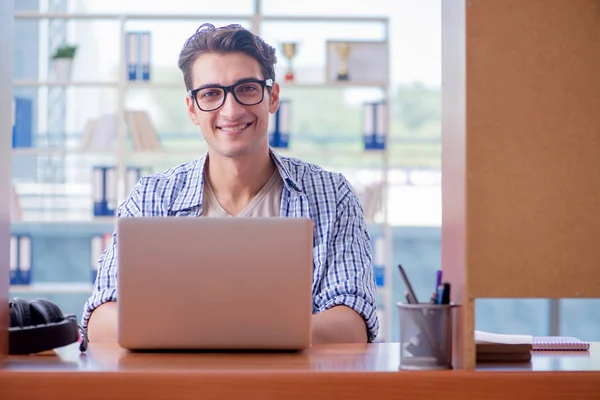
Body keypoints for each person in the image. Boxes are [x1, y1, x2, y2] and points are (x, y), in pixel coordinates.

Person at [81, 23, 379, 345]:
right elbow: (100, 322)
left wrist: (199, 333)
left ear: (272, 96)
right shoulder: (152, 198)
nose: (231, 110)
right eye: (211, 94)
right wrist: (252, 334)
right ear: (192, 109)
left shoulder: (331, 196)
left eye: (247, 88)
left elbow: (352, 325)